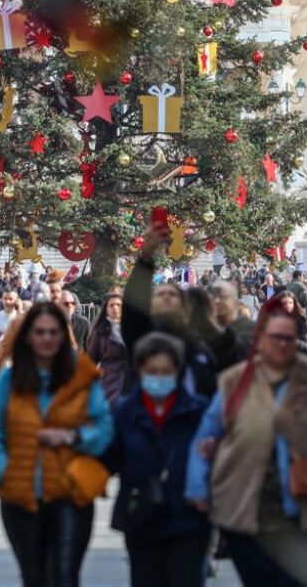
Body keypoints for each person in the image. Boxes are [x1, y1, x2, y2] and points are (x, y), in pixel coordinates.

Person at [185, 298, 307, 586]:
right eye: (275, 338)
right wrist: (197, 486)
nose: (282, 344)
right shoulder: (236, 382)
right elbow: (206, 435)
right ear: (260, 340)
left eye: (289, 338)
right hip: (250, 512)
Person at [0, 302, 113, 587]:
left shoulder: (82, 377)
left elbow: (103, 428)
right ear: (28, 336)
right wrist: (7, 473)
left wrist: (72, 437)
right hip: (22, 494)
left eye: (53, 332)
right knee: (34, 576)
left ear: (63, 337)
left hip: (70, 492)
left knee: (65, 576)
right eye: (40, 332)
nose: (47, 338)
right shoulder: (9, 380)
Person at [104, 332, 209, 587]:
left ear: (177, 371)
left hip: (188, 518)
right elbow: (110, 458)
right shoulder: (124, 413)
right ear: (140, 371)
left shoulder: (197, 411)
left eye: (166, 371)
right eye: (153, 371)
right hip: (142, 516)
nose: (159, 377)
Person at [123, 223, 220, 398]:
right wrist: (146, 256)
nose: (167, 296)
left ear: (183, 305)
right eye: (161, 294)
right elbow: (132, 304)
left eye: (173, 294)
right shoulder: (141, 333)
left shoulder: (196, 341)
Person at [86, 293, 128, 405]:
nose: (115, 308)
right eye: (112, 305)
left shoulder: (133, 329)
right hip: (110, 380)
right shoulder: (100, 331)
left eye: (119, 305)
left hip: (131, 380)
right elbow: (91, 361)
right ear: (106, 309)